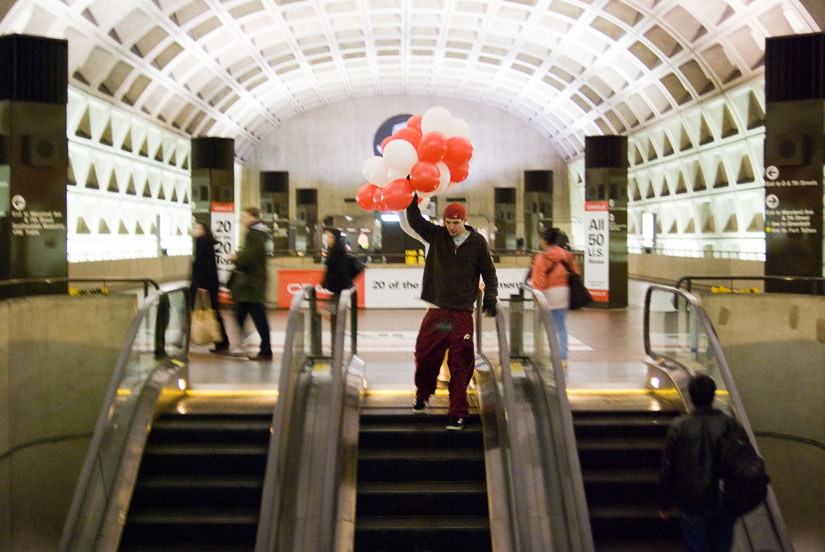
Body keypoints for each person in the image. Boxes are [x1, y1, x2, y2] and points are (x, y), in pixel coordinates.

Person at [406, 195, 498, 431]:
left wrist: (490, 298)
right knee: (425, 354)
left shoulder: (478, 243)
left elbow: (489, 273)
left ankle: (458, 411)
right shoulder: (437, 236)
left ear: (464, 221)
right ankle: (422, 394)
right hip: (437, 312)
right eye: (448, 222)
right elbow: (415, 221)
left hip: (461, 316)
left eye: (456, 223)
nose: (451, 227)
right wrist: (411, 197)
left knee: (461, 361)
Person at [659, 374, 747, 552]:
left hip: (692, 499)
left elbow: (668, 468)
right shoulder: (731, 425)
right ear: (714, 396)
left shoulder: (679, 426)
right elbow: (744, 461)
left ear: (690, 397)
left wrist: (665, 503)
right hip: (725, 499)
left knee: (695, 547)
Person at [529, 226, 580, 369]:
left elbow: (539, 280)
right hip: (563, 291)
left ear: (544, 241)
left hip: (548, 293)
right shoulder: (565, 254)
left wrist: (536, 296)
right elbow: (575, 271)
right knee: (561, 325)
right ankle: (563, 358)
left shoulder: (542, 257)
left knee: (542, 325)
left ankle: (542, 354)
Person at [229, 207, 272, 361]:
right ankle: (260, 347)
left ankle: (263, 349)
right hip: (251, 285)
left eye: (245, 216)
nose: (242, 219)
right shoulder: (258, 233)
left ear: (253, 217)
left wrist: (236, 258)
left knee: (254, 318)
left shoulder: (255, 234)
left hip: (250, 285)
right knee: (246, 316)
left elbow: (251, 258)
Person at [190, 221, 230, 352]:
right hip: (209, 283)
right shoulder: (204, 242)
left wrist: (202, 285)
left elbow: (204, 266)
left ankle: (221, 341)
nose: (194, 229)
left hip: (205, 284)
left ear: (203, 230)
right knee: (213, 311)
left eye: (197, 227)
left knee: (211, 312)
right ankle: (221, 341)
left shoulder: (203, 243)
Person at [321, 227, 364, 345]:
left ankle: (336, 348)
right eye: (326, 236)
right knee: (331, 316)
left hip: (338, 293)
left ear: (335, 238)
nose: (327, 239)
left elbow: (338, 272)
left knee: (333, 318)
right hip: (337, 293)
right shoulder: (334, 252)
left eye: (329, 237)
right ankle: (335, 346)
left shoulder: (337, 254)